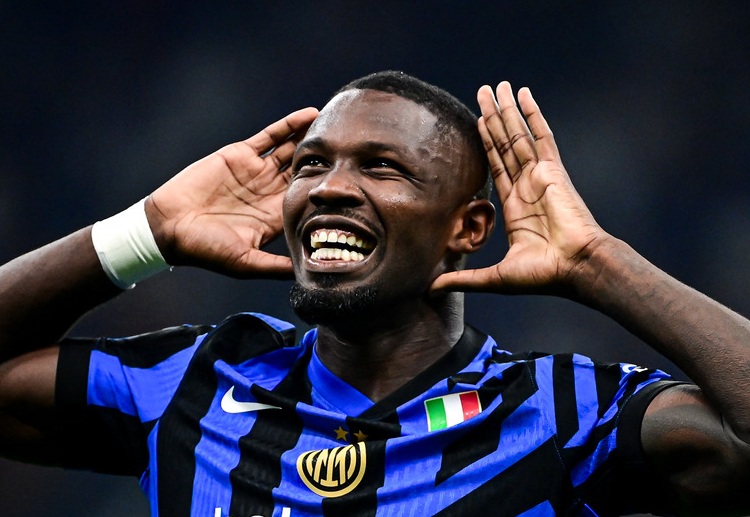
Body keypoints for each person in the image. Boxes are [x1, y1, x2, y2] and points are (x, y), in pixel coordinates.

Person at [0, 70, 748, 517]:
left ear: (469, 226)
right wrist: (146, 232)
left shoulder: (556, 410)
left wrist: (596, 262)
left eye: (381, 167)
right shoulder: (196, 380)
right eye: (312, 165)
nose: (329, 189)